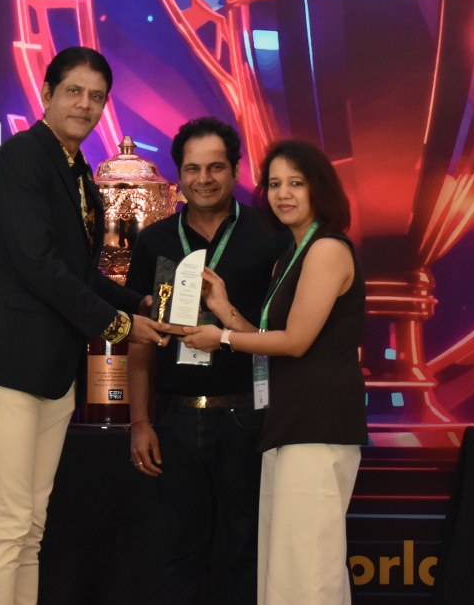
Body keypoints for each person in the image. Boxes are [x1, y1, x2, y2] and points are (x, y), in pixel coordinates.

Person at [0, 46, 182, 605]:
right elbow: (37, 265)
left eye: (96, 96)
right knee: (8, 522)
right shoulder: (23, 157)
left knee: (31, 526)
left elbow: (80, 272)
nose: (85, 105)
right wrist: (120, 325)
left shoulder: (78, 171)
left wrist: (140, 303)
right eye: (74, 92)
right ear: (47, 94)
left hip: (52, 371)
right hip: (8, 365)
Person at [183, 139, 367, 605]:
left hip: (317, 425)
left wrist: (222, 338)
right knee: (285, 569)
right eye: (274, 184)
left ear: (319, 188)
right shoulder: (292, 253)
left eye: (296, 183)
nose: (283, 194)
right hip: (288, 423)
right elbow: (272, 340)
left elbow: (296, 341)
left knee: (309, 570)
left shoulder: (327, 249)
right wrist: (225, 311)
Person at [125, 117, 290, 605]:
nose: (204, 179)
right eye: (193, 169)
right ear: (178, 175)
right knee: (180, 552)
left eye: (216, 167)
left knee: (247, 551)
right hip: (174, 419)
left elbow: (285, 335)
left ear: (236, 170)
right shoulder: (155, 241)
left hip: (248, 416)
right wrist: (140, 422)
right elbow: (141, 340)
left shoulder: (270, 235)